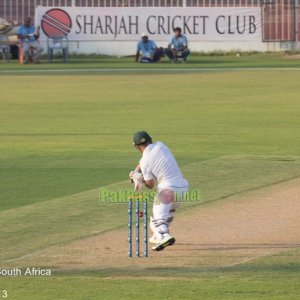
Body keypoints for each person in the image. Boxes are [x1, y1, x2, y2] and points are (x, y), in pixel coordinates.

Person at [129, 131, 189, 251]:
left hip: (167, 189)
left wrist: (140, 179)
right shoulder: (161, 145)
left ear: (136, 147)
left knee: (157, 219)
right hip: (183, 187)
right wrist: (137, 170)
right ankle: (158, 236)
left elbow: (150, 185)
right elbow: (144, 160)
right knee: (169, 212)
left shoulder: (145, 162)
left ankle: (164, 236)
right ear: (150, 140)